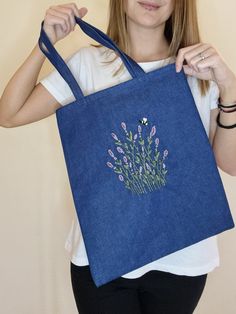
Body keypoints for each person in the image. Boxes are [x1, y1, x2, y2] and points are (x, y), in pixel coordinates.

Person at [0, 1, 236, 313]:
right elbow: (10, 114)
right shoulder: (88, 63)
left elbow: (230, 164)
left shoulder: (200, 70)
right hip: (102, 256)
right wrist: (45, 43)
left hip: (183, 259)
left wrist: (229, 87)